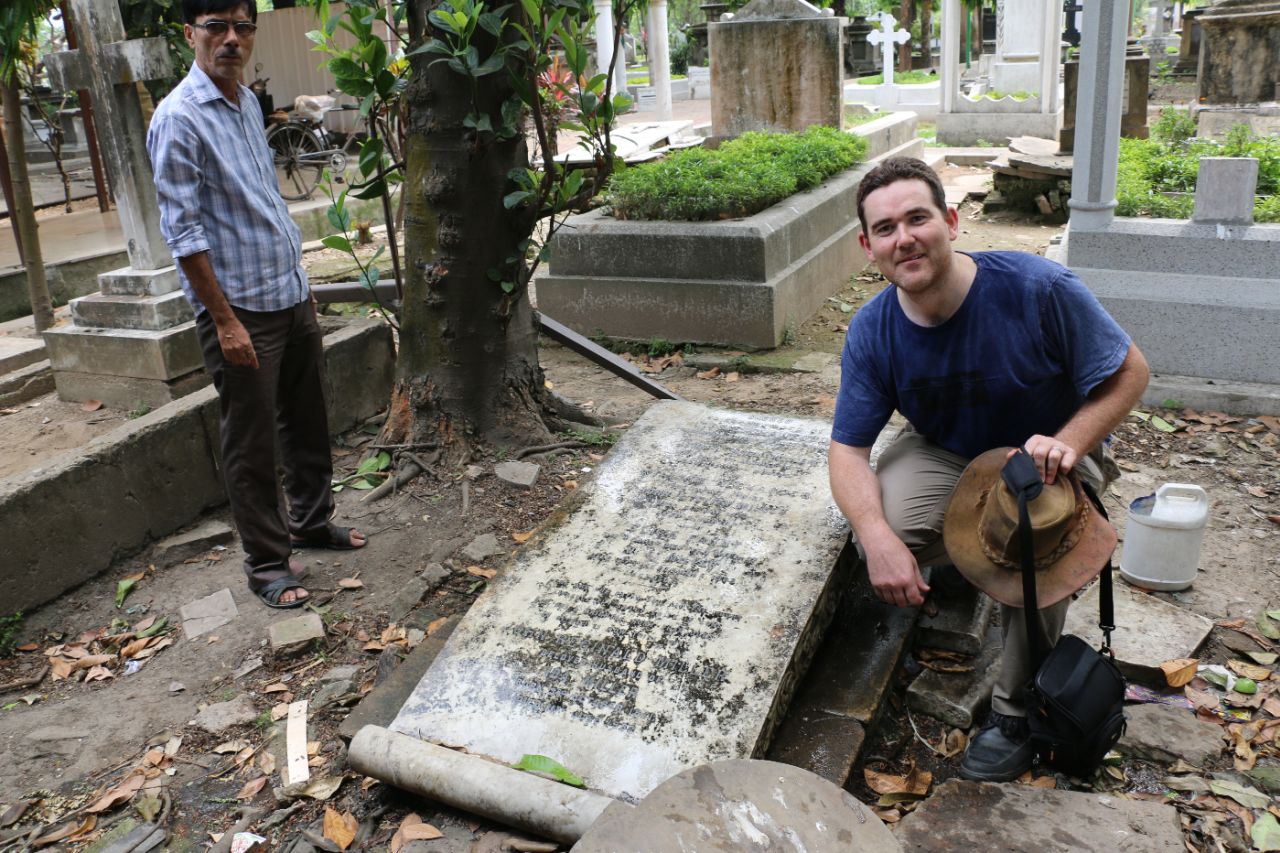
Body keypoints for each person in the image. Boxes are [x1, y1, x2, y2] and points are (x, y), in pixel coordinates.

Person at [828, 157, 1149, 781]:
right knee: (887, 522)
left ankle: (1016, 709)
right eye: (886, 228)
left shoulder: (1038, 289)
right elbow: (847, 451)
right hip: (950, 451)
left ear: (950, 221)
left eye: (918, 218)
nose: (906, 238)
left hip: (1048, 456)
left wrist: (1072, 442)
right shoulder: (872, 331)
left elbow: (1130, 371)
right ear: (868, 248)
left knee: (1034, 537)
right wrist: (877, 541)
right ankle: (960, 565)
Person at [148, 0, 367, 609]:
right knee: (252, 443)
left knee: (308, 418)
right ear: (190, 33)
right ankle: (269, 566)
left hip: (288, 293)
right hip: (239, 310)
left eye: (242, 27)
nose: (231, 40)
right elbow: (183, 233)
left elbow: (259, 200)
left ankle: (312, 522)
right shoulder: (180, 118)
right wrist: (224, 321)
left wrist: (299, 279)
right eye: (215, 27)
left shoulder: (246, 102)